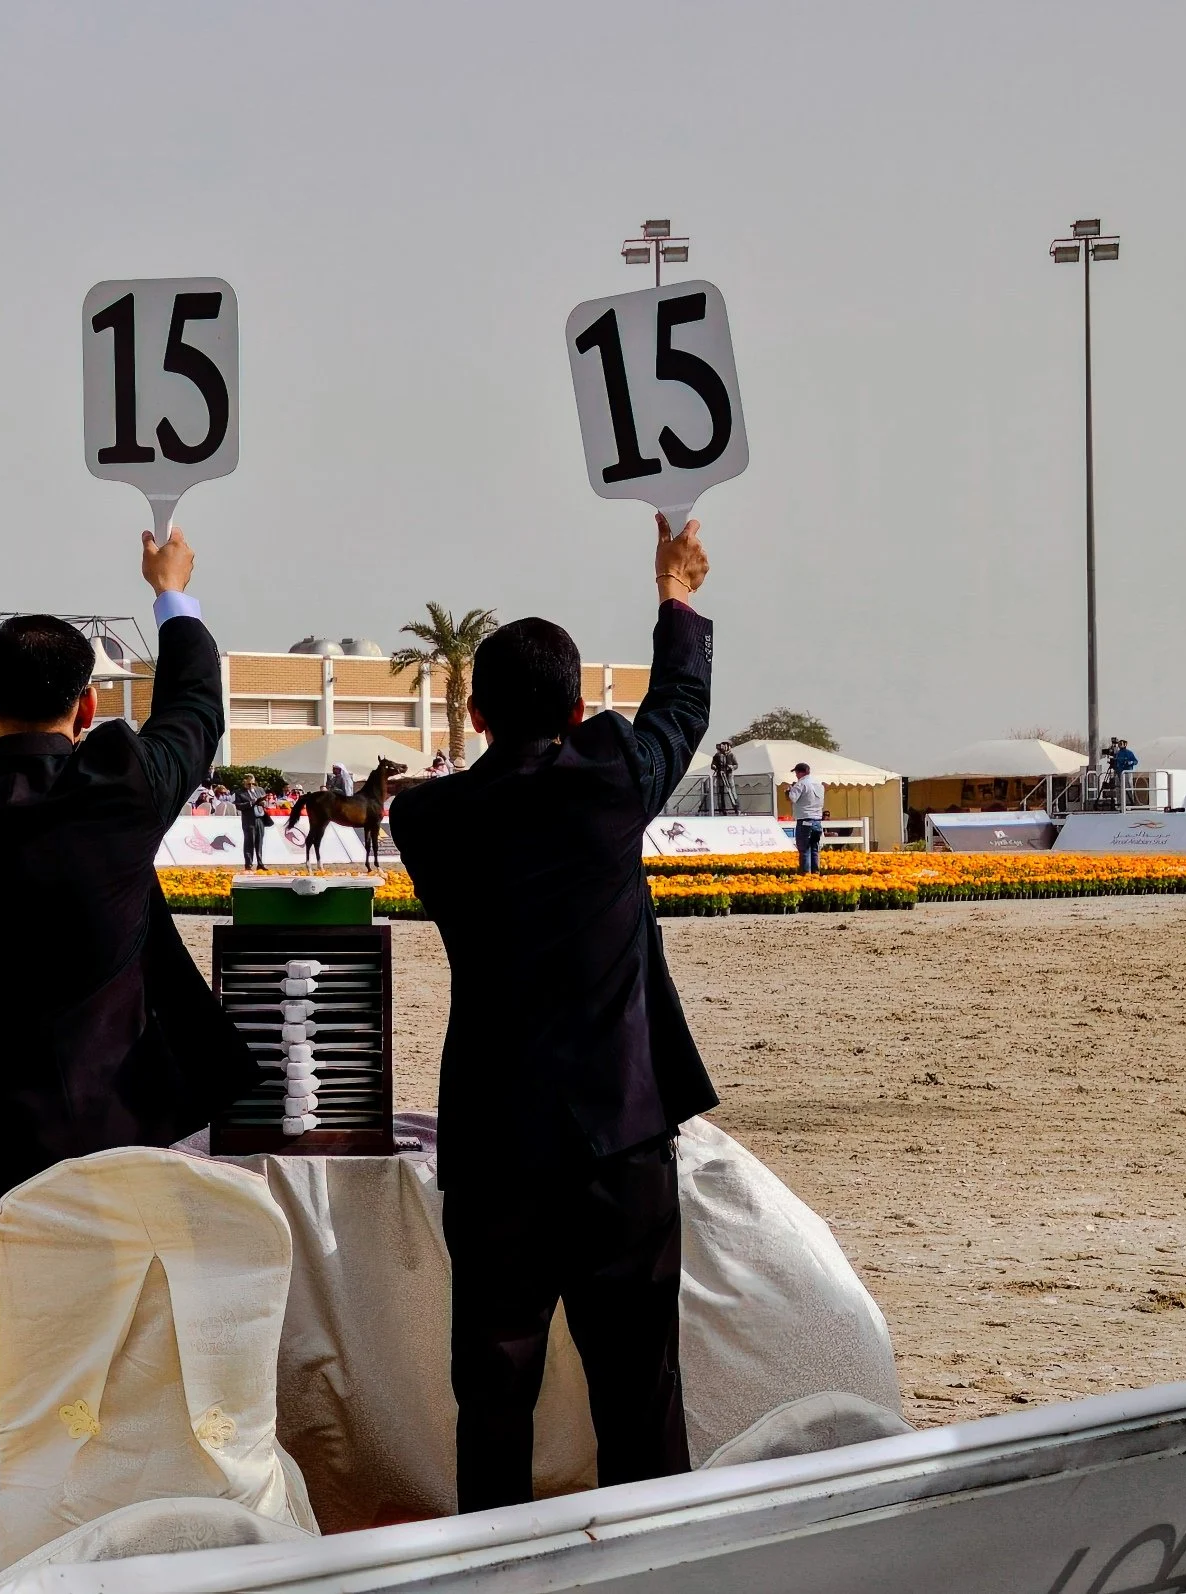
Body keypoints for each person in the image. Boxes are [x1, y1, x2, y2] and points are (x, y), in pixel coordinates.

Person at [0, 527, 257, 1593]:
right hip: (119, 1137)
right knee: (130, 1387)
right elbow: (198, 709)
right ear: (87, 708)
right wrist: (173, 595)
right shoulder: (124, 787)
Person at [388, 512, 718, 1513]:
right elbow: (679, 708)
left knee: (492, 1397)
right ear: (576, 714)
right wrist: (677, 595)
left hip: (495, 1145)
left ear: (476, 715)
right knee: (639, 1393)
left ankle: (493, 1570)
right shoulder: (610, 780)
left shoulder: (427, 818)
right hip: (618, 1134)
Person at [787, 760, 825, 873]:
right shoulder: (819, 784)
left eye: (796, 773)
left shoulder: (801, 784)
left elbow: (792, 798)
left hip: (805, 820)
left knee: (804, 849)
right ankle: (815, 873)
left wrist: (789, 790)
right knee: (814, 848)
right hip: (817, 820)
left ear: (800, 773)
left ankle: (806, 874)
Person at [234, 773, 271, 870]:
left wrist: (264, 803)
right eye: (248, 784)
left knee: (259, 841)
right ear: (244, 783)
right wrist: (251, 803)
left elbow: (266, 802)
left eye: (252, 784)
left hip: (260, 818)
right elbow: (238, 806)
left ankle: (260, 863)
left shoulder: (260, 790)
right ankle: (248, 864)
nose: (251, 786)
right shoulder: (239, 793)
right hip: (249, 820)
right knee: (249, 842)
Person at [708, 739, 739, 815]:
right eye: (722, 745)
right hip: (720, 776)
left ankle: (737, 809)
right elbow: (712, 765)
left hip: (729, 776)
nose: (723, 747)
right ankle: (722, 810)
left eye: (725, 745)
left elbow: (736, 765)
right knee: (721, 793)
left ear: (728, 746)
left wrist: (731, 767)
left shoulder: (731, 755)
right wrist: (714, 766)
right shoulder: (717, 755)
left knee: (732, 792)